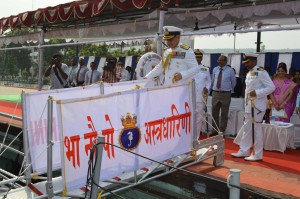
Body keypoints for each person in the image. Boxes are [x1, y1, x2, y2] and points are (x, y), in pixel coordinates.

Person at [232, 53, 275, 161]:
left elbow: (271, 87)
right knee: (247, 129)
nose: (246, 65)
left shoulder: (261, 71)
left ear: (254, 61)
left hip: (257, 106)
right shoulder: (249, 73)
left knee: (256, 129)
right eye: (245, 63)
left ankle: (257, 154)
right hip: (249, 106)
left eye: (248, 62)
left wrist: (257, 92)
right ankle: (244, 150)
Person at [210, 55, 236, 136]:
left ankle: (221, 131)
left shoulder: (230, 70)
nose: (219, 62)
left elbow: (233, 82)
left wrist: (228, 90)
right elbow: (213, 80)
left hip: (226, 94)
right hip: (215, 93)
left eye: (221, 60)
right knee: (214, 112)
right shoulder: (215, 69)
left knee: (224, 113)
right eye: (218, 60)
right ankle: (215, 129)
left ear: (225, 61)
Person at [193, 49, 211, 139]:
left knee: (199, 119)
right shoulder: (188, 68)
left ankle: (195, 138)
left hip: (200, 98)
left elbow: (208, 82)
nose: (198, 58)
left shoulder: (205, 69)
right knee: (189, 119)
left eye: (200, 57)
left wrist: (207, 88)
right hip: (189, 98)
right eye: (196, 57)